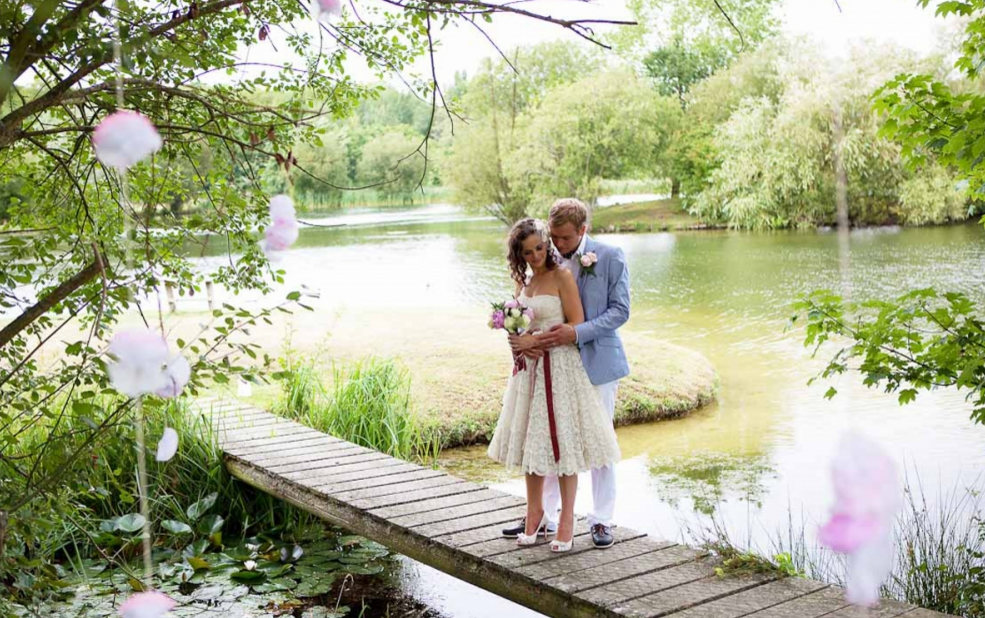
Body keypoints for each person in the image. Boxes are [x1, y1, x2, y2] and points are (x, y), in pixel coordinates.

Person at [502, 198, 631, 549]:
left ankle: (601, 519)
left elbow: (620, 311)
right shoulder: (544, 260)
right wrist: (518, 339)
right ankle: (544, 514)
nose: (558, 244)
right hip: (552, 364)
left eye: (565, 238)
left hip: (596, 360)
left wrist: (576, 332)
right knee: (549, 436)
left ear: (583, 230)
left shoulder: (609, 256)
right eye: (554, 237)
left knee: (597, 440)